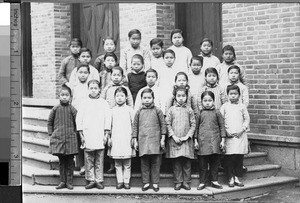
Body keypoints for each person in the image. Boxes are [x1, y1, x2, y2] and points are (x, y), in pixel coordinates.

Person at [76, 80, 111, 190]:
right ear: (88, 89)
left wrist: (106, 134)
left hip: (100, 134)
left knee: (99, 159)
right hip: (88, 134)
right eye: (91, 88)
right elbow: (79, 118)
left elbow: (108, 118)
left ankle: (99, 180)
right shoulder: (84, 103)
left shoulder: (103, 103)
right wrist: (81, 134)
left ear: (99, 89)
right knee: (89, 159)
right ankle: (90, 179)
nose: (93, 90)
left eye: (95, 88)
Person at [132, 88, 167, 192]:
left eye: (149, 98)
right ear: (141, 99)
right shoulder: (139, 111)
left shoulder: (158, 111)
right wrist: (135, 139)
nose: (147, 100)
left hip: (155, 140)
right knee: (144, 163)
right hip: (143, 141)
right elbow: (135, 126)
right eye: (144, 98)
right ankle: (146, 182)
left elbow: (163, 125)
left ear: (153, 98)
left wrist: (163, 139)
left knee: (156, 163)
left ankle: (155, 183)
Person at [47, 84, 78, 190]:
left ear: (70, 97)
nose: (64, 97)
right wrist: (51, 134)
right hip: (59, 139)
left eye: (67, 95)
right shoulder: (55, 109)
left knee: (70, 162)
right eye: (62, 95)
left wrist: (76, 134)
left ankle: (69, 182)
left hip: (70, 139)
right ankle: (62, 181)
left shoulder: (72, 109)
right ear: (59, 96)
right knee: (61, 162)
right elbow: (50, 122)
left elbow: (77, 122)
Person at [165, 86, 196, 191]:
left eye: (183, 96)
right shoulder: (171, 110)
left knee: (187, 163)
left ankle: (186, 182)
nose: (181, 98)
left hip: (186, 140)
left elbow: (193, 124)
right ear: (175, 97)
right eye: (179, 96)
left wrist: (188, 136)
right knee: (177, 163)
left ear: (187, 97)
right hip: (175, 140)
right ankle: (178, 182)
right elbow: (167, 124)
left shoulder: (189, 110)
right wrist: (173, 136)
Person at [194, 91, 226, 190]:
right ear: (201, 102)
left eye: (210, 100)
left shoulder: (217, 112)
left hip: (215, 141)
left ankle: (214, 181)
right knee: (203, 164)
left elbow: (222, 126)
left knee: (214, 163)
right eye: (205, 101)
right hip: (203, 142)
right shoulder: (199, 113)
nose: (207, 103)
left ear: (213, 101)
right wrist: (195, 141)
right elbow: (196, 128)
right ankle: (202, 182)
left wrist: (223, 140)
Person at [220, 84, 250, 188]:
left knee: (238, 157)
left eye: (235, 94)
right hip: (229, 136)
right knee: (229, 158)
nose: (233, 96)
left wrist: (242, 130)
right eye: (231, 94)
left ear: (239, 95)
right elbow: (221, 120)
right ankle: (230, 177)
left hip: (240, 136)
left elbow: (246, 119)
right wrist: (225, 132)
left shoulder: (242, 106)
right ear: (227, 95)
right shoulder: (224, 106)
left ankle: (237, 177)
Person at [107, 87, 135, 190]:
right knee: (118, 163)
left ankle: (126, 181)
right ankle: (120, 181)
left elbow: (134, 125)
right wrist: (109, 137)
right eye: (117, 96)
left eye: (122, 96)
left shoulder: (130, 110)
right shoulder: (112, 111)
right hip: (116, 139)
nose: (120, 98)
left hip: (127, 138)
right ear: (114, 98)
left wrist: (133, 138)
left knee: (127, 163)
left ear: (126, 97)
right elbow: (108, 126)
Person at [157, 49, 177, 114]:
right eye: (166, 58)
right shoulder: (160, 70)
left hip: (172, 93)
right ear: (163, 59)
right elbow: (157, 83)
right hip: (162, 93)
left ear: (174, 59)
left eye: (171, 58)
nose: (169, 60)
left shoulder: (176, 70)